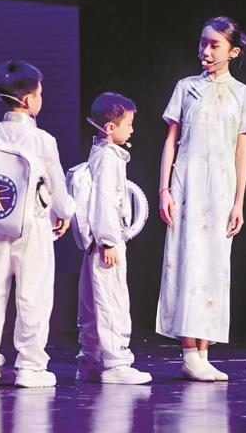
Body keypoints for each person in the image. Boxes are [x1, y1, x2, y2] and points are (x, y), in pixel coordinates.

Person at [156, 16, 246, 381]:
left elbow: (241, 150)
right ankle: (189, 353)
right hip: (188, 184)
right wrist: (164, 189)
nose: (206, 50)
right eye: (204, 42)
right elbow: (171, 140)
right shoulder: (186, 87)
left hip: (221, 189)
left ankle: (203, 351)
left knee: (214, 266)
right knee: (188, 261)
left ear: (233, 52)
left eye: (215, 45)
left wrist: (239, 201)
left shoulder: (243, 94)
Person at [0, 60, 75, 388]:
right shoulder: (42, 140)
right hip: (33, 226)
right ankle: (30, 367)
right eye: (40, 93)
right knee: (33, 295)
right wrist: (65, 212)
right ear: (28, 101)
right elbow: (57, 187)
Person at [75, 92, 152, 385]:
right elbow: (105, 201)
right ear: (110, 128)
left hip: (99, 239)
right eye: (128, 124)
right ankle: (116, 364)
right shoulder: (108, 158)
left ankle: (91, 360)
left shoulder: (102, 155)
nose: (131, 130)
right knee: (111, 299)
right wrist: (108, 240)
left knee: (93, 302)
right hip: (106, 240)